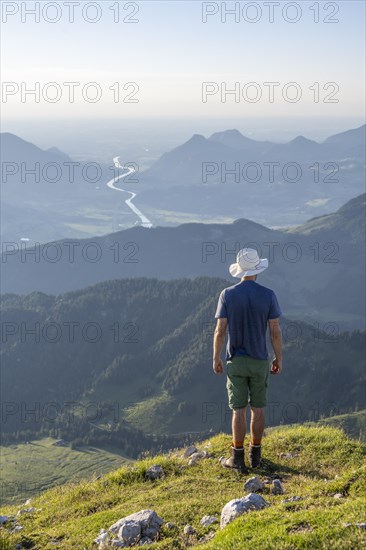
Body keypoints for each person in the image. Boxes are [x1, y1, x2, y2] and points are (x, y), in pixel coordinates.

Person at [213, 247, 283, 473]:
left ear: (239, 270)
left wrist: (216, 357)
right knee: (258, 409)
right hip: (260, 360)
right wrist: (278, 357)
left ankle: (237, 458)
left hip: (236, 359)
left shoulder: (227, 294)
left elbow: (220, 330)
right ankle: (256, 456)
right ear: (257, 270)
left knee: (238, 410)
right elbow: (275, 332)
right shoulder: (268, 295)